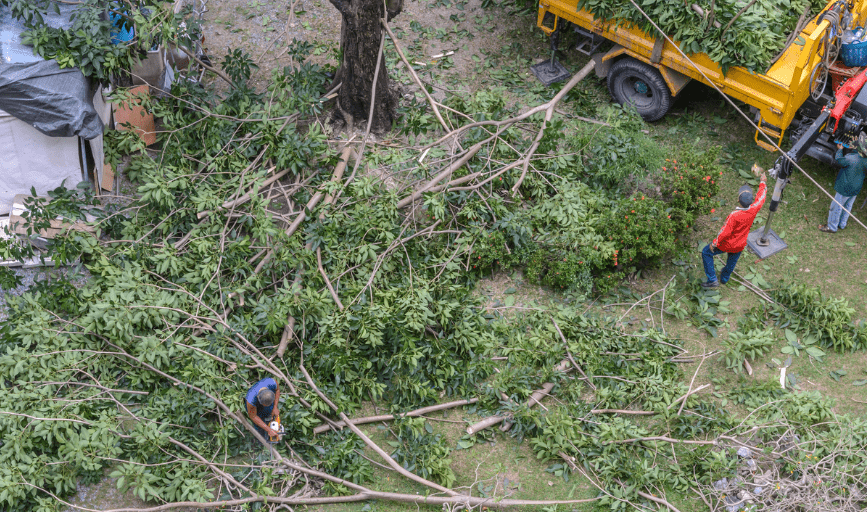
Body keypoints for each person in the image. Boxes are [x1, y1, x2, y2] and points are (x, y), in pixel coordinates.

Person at [701, 166, 767, 288]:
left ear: (738, 199)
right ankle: (725, 278)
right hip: (740, 244)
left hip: (726, 244)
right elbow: (761, 197)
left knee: (706, 252)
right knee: (732, 262)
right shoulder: (753, 209)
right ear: (751, 201)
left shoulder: (734, 215)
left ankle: (712, 279)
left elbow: (724, 233)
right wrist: (763, 180)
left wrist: (714, 244)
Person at [819, 133, 867, 233]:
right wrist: (854, 148)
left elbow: (839, 161)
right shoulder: (864, 160)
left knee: (836, 206)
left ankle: (832, 227)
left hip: (845, 187)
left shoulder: (851, 159)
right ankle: (842, 224)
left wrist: (840, 149)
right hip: (856, 188)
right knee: (848, 206)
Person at [245, 377, 280, 441]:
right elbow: (253, 416)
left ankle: (269, 425)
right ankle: (260, 441)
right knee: (258, 426)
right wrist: (268, 430)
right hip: (254, 408)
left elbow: (277, 390)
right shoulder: (251, 400)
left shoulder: (272, 383)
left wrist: (275, 407)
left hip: (266, 399)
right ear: (258, 398)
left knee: (269, 413)